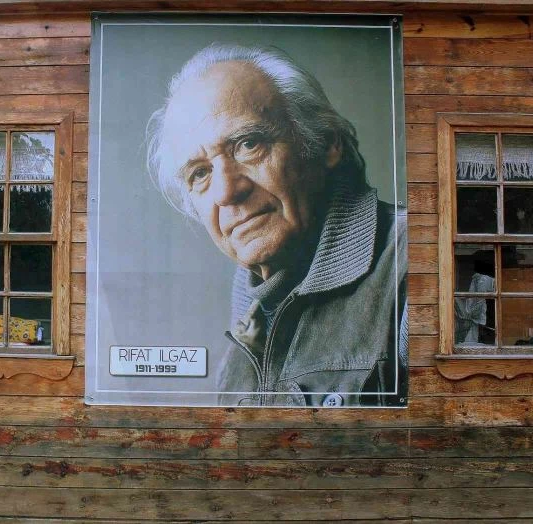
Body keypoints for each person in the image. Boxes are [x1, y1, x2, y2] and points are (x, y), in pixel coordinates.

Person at [146, 44, 407, 407]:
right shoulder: (247, 325)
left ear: (327, 143)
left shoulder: (413, 266)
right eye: (200, 174)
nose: (226, 191)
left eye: (248, 144)